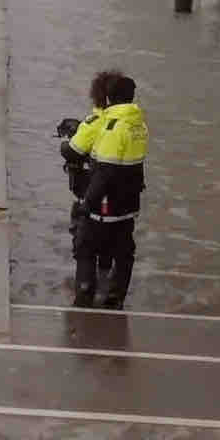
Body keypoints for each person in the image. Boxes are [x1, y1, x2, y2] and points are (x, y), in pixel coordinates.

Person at [69, 75, 148, 309]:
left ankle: (85, 292)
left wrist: (87, 204)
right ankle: (115, 297)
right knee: (124, 253)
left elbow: (105, 172)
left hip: (105, 204)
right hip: (128, 204)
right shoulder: (139, 125)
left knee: (85, 246)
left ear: (109, 97)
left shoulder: (112, 127)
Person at [60, 71, 123, 303]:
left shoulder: (94, 122)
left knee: (84, 242)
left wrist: (66, 142)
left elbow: (72, 150)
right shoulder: (130, 126)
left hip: (93, 194)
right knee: (114, 241)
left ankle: (85, 290)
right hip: (120, 199)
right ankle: (108, 285)